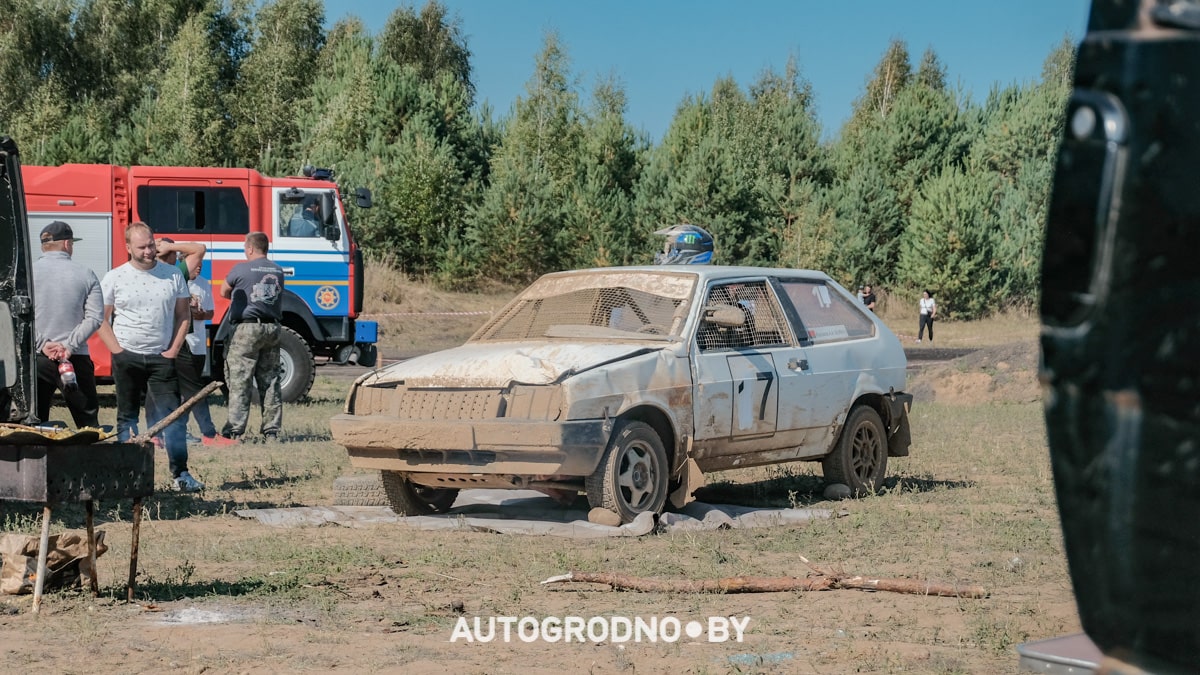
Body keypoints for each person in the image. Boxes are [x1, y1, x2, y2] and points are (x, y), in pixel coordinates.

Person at [97, 221, 204, 492]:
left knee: (173, 416)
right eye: (142, 247)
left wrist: (173, 350)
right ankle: (126, 476)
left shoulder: (172, 275)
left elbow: (183, 315)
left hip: (162, 358)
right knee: (127, 418)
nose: (148, 251)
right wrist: (117, 352)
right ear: (128, 247)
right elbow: (101, 319)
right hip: (127, 356)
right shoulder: (115, 277)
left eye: (151, 245)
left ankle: (181, 474)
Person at [32, 221, 103, 428]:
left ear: (43, 246)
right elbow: (95, 318)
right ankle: (91, 458)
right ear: (66, 244)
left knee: (34, 424)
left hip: (37, 359)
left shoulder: (27, 274)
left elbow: (19, 316)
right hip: (75, 358)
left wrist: (43, 344)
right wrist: (69, 346)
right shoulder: (86, 273)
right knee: (88, 423)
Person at [220, 232, 284, 441]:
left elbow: (224, 291)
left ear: (250, 248)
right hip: (272, 328)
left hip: (247, 329)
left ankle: (235, 429)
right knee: (271, 379)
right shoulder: (277, 270)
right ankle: (272, 430)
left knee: (240, 379)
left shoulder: (241, 269)